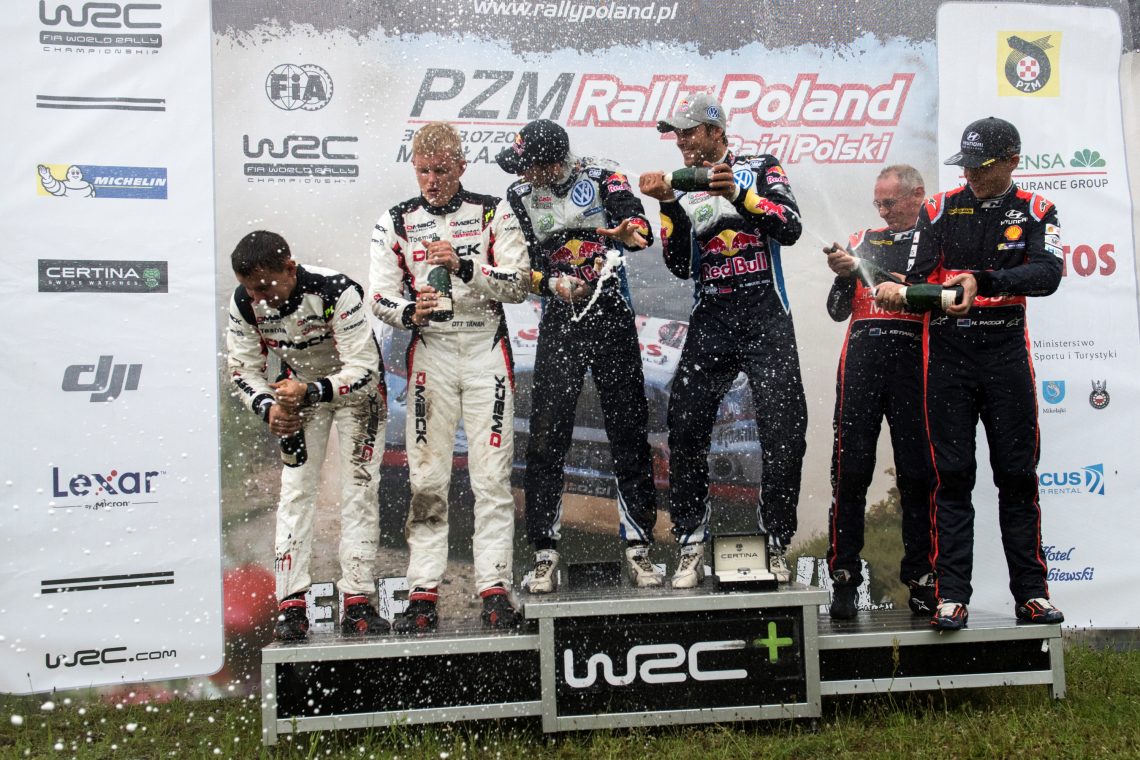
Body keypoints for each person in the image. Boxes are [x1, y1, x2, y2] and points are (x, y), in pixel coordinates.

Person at [875, 117, 1065, 630]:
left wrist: (983, 281)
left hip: (1006, 356)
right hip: (949, 359)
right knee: (952, 477)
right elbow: (918, 276)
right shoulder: (939, 208)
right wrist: (898, 289)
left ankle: (1032, 593)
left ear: (1012, 161)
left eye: (983, 166)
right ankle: (952, 596)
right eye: (967, 167)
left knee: (1017, 476)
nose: (973, 175)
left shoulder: (1037, 210)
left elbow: (1048, 274)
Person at [639, 93, 807, 587]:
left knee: (784, 431)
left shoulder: (760, 166)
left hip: (766, 316)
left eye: (689, 131)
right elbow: (679, 265)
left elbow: (791, 227)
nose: (681, 140)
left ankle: (775, 542)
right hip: (711, 316)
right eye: (676, 133)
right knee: (685, 428)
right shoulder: (681, 184)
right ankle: (690, 542)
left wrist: (737, 194)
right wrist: (667, 204)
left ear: (715, 131)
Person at [369, 122, 531, 632]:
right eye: (423, 171)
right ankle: (422, 592)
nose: (432, 181)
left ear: (461, 166)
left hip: (485, 352)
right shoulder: (396, 220)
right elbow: (379, 297)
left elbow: (519, 284)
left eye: (441, 170)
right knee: (428, 479)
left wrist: (465, 267)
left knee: (492, 479)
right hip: (431, 355)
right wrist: (408, 312)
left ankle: (495, 588)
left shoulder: (492, 211)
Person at [494, 119, 664, 593]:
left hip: (611, 316)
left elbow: (638, 226)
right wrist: (549, 282)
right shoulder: (519, 196)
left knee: (628, 432)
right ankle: (544, 552)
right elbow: (521, 268)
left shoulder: (603, 175)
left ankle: (639, 547)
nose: (523, 175)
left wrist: (630, 232)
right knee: (546, 437)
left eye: (530, 166)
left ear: (553, 163)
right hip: (560, 319)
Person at [226, 230, 387, 641]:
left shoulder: (335, 290)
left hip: (356, 393)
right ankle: (291, 604)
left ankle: (357, 601)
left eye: (265, 287)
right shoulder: (244, 302)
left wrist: (312, 390)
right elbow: (242, 369)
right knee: (295, 493)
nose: (258, 298)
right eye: (249, 289)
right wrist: (269, 407)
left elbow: (365, 369)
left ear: (290, 268)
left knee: (358, 491)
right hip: (296, 391)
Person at [822, 164, 935, 619]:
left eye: (890, 202)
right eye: (878, 203)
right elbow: (835, 311)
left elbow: (937, 296)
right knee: (850, 474)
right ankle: (844, 578)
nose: (883, 211)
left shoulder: (936, 239)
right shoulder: (862, 239)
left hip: (914, 365)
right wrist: (842, 274)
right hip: (861, 367)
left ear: (917, 195)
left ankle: (923, 579)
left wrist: (867, 269)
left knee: (917, 475)